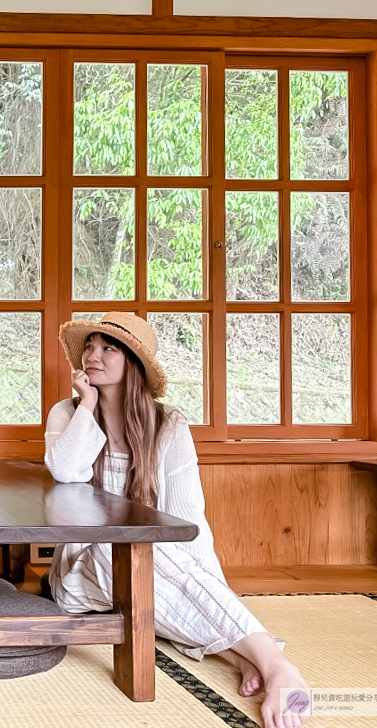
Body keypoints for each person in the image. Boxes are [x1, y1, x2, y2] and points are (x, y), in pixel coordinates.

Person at [43, 312, 309, 728]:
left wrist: (211, 587)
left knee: (152, 562)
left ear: (133, 362)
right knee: (126, 553)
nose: (93, 355)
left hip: (157, 566)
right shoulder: (67, 413)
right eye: (90, 346)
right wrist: (88, 405)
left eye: (108, 348)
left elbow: (189, 524)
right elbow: (65, 471)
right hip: (82, 574)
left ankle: (250, 659)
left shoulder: (169, 425)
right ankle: (274, 660)